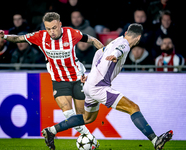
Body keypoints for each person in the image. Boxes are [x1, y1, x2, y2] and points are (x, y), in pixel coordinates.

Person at [41, 23, 173, 150]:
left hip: (90, 85)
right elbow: (119, 51)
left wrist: (91, 75)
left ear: (126, 32)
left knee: (87, 118)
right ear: (138, 38)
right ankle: (155, 140)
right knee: (133, 108)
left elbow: (99, 53)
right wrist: (115, 56)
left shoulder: (116, 40)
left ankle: (51, 131)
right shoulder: (124, 44)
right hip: (99, 87)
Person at [0, 12, 104, 147]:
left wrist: (104, 53)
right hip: (59, 81)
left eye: (54, 27)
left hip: (77, 79)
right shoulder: (40, 36)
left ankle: (54, 131)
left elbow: (92, 40)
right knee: (69, 114)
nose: (51, 32)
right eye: (48, 28)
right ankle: (90, 141)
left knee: (82, 118)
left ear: (60, 24)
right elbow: (19, 39)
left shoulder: (71, 34)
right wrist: (4, 36)